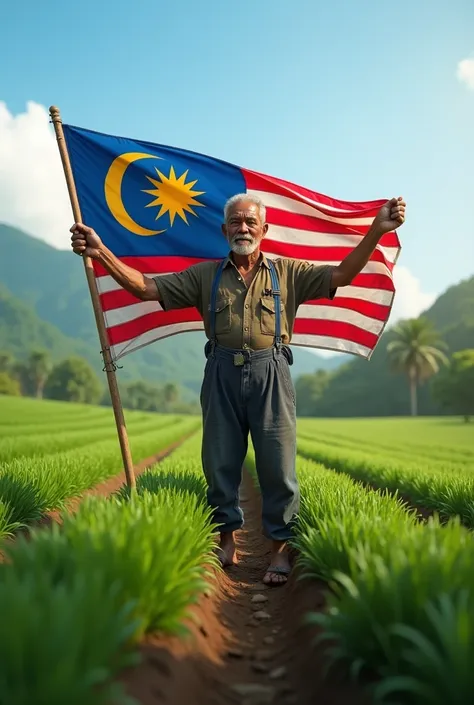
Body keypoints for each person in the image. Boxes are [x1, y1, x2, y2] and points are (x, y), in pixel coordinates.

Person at [70, 193, 405, 585]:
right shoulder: (205, 276)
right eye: (235, 222)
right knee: (220, 462)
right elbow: (146, 288)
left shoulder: (287, 273)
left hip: (272, 373)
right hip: (221, 372)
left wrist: (376, 231)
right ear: (223, 228)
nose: (242, 228)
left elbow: (342, 275)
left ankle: (279, 548)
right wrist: (100, 252)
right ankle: (226, 538)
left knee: (277, 465)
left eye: (250, 222)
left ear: (264, 230)